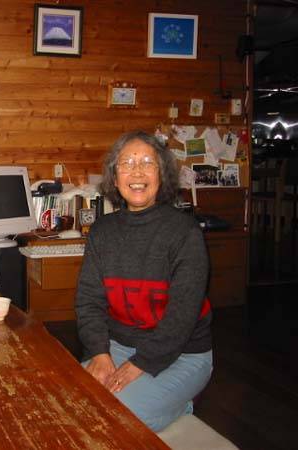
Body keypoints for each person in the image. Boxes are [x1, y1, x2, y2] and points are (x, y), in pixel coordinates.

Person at [75, 130, 213, 432]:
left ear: (161, 175)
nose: (137, 172)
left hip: (183, 354)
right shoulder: (102, 231)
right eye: (127, 163)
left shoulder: (185, 233)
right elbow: (88, 301)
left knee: (119, 419)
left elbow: (182, 317)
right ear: (114, 177)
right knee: (75, 405)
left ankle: (181, 405)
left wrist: (141, 364)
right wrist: (100, 353)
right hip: (118, 345)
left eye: (147, 162)